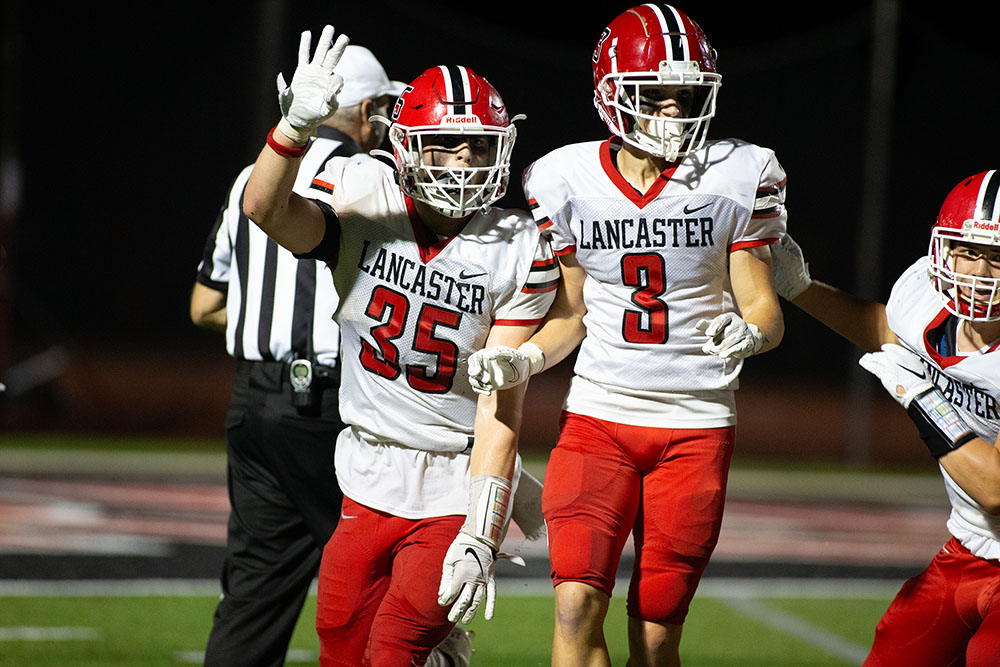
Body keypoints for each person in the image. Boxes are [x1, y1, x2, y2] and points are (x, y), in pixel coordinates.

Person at [466, 4, 786, 666]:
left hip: (696, 424)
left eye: (686, 95)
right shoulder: (564, 178)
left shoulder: (737, 173)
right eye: (656, 95)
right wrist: (523, 355)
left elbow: (763, 306)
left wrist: (748, 332)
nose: (673, 111)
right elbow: (574, 313)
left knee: (657, 633)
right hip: (599, 417)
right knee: (576, 603)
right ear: (613, 94)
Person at [240, 25, 558, 667]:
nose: (463, 161)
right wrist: (293, 131)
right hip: (363, 468)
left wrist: (483, 525)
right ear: (409, 147)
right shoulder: (367, 197)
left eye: (477, 146)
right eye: (445, 145)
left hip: (451, 479)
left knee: (392, 654)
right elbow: (266, 209)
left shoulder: (516, 247)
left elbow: (503, 407)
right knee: (340, 647)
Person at [191, 44, 478, 667]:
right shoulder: (375, 175)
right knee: (387, 606)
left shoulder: (254, 174)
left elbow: (203, 306)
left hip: (254, 401)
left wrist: (267, 337)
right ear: (371, 108)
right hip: (340, 408)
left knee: (254, 595)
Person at [770, 170, 1000, 667]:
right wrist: (802, 290)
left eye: (997, 258)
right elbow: (889, 334)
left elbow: (996, 491)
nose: (980, 273)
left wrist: (924, 400)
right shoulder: (924, 297)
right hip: (968, 549)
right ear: (942, 248)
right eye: (968, 251)